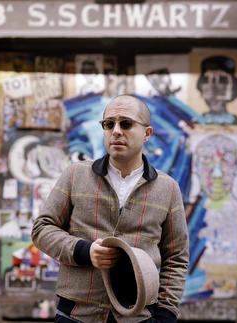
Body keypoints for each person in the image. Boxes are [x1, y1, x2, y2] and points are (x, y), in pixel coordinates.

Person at [32, 94, 189, 323]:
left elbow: (176, 257)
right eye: (109, 124)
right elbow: (42, 229)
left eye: (126, 123)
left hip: (139, 316)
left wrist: (166, 314)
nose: (116, 130)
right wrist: (84, 251)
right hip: (77, 314)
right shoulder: (75, 175)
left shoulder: (168, 188)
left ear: (147, 134)